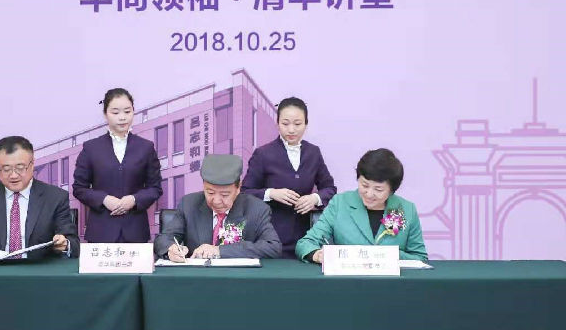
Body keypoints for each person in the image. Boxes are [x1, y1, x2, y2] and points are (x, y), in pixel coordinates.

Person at [0, 136, 79, 260]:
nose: (13, 175)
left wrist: (65, 244)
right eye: (6, 169)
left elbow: (73, 243)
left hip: (38, 271)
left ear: (32, 164)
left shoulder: (55, 197)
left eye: (20, 168)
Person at [241, 97, 337, 257]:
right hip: (270, 238)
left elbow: (329, 189)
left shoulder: (313, 152)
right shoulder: (263, 154)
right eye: (285, 124)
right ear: (277, 123)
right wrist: (271, 193)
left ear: (306, 124)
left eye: (297, 124)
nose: (291, 130)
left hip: (306, 238)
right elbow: (245, 192)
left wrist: (315, 198)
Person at [296, 148, 428, 263]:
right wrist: (317, 255)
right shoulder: (340, 203)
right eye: (364, 185)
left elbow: (420, 258)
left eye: (378, 189)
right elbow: (305, 243)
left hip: (392, 282)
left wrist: (387, 255)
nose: (369, 194)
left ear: (392, 190)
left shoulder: (407, 209)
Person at [73, 88, 163, 242]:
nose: (122, 117)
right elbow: (79, 188)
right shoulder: (91, 148)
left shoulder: (146, 147)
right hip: (101, 232)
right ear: (105, 114)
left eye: (127, 112)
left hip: (135, 231)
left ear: (133, 111)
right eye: (115, 112)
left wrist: (134, 200)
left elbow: (155, 188)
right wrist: (104, 199)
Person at [154, 154, 281, 260]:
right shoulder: (189, 204)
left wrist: (219, 250)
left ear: (238, 188)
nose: (216, 201)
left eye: (225, 195)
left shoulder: (256, 209)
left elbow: (273, 247)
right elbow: (163, 239)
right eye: (210, 193)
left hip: (238, 278)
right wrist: (171, 249)